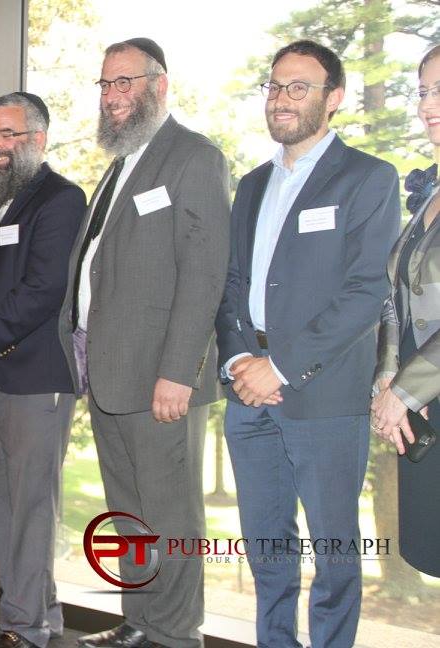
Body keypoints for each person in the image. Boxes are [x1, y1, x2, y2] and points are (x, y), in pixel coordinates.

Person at [215, 40, 400, 648]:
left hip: (323, 395)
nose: (281, 98)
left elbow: (367, 291)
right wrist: (239, 359)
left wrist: (281, 367)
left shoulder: (369, 177)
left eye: (298, 87)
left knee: (334, 553)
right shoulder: (252, 184)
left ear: (334, 98)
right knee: (267, 548)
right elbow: (232, 283)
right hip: (248, 392)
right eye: (274, 86)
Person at [59, 38, 230, 648]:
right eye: (106, 84)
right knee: (130, 512)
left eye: (124, 82)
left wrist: (178, 372)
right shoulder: (120, 165)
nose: (112, 96)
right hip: (111, 374)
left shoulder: (193, 157)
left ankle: (177, 634)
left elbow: (204, 274)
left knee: (170, 514)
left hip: (161, 379)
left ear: (160, 84)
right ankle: (139, 620)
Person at [0, 92, 85, 648]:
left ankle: (24, 626)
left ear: (38, 139)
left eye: (8, 134)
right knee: (6, 504)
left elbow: (44, 289)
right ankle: (30, 614)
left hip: (36, 377)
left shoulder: (61, 198)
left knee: (30, 507)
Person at [371, 43, 440, 579]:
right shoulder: (429, 192)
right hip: (426, 408)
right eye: (422, 91)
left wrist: (405, 390)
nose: (426, 105)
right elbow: (396, 294)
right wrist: (387, 375)